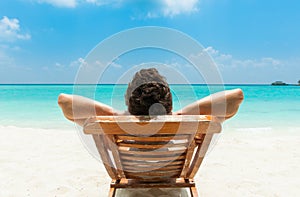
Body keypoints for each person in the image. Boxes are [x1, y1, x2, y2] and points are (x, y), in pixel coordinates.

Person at [58, 68, 244, 126]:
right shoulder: (181, 124)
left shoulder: (118, 126)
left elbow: (64, 101)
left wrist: (116, 113)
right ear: (168, 103)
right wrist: (179, 114)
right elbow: (236, 96)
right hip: (171, 174)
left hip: (131, 175)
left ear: (130, 101)